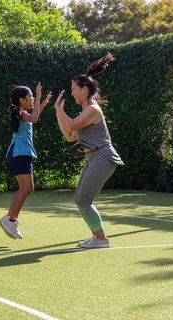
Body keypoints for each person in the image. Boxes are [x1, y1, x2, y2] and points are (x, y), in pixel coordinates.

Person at [54, 53, 124, 249]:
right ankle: (97, 237)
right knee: (80, 199)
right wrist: (58, 112)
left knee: (84, 200)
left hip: (103, 157)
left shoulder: (93, 110)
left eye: (74, 90)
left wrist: (60, 110)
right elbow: (69, 134)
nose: (73, 93)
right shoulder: (85, 113)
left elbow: (72, 124)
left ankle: (101, 239)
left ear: (85, 89)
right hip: (94, 158)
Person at [0, 83, 52, 239]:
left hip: (18, 154)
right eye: (31, 97)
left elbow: (33, 116)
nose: (33, 98)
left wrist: (43, 103)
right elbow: (34, 118)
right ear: (22, 100)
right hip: (20, 153)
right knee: (27, 187)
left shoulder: (21, 112)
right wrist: (40, 95)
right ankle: (11, 219)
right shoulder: (21, 113)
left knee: (24, 188)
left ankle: (9, 219)